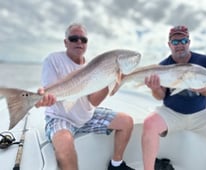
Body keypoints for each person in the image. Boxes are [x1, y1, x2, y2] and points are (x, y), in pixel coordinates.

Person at [142, 25, 206, 170]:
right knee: (149, 124)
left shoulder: (205, 62)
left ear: (189, 42)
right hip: (171, 113)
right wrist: (155, 89)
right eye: (175, 42)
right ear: (169, 44)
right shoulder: (163, 66)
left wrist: (204, 89)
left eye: (183, 40)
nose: (180, 45)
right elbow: (160, 96)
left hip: (201, 115)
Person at [35, 23, 135, 170]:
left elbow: (93, 101)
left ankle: (116, 165)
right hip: (61, 117)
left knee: (126, 122)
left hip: (87, 116)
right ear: (65, 42)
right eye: (74, 38)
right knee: (65, 146)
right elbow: (49, 91)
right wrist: (42, 99)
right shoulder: (53, 60)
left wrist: (109, 81)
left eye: (83, 39)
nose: (79, 42)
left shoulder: (92, 66)